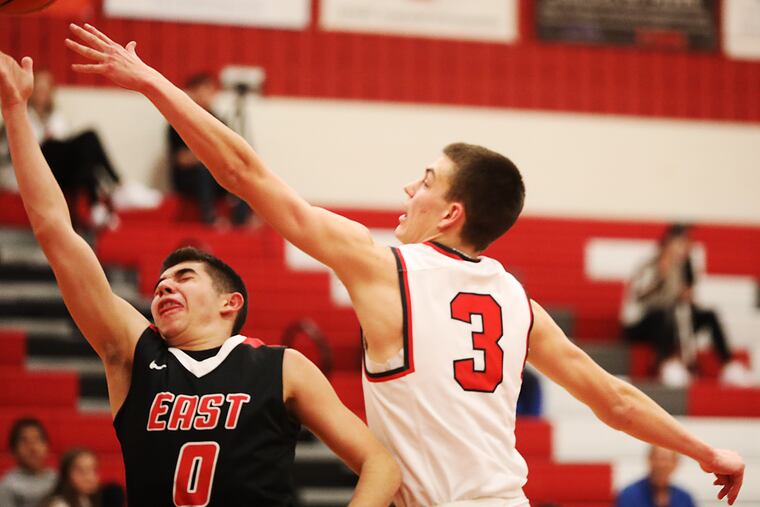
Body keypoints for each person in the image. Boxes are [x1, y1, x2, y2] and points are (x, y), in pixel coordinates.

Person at [63, 23, 745, 506]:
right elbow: (616, 399)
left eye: (424, 181)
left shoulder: (384, 266)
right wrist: (707, 451)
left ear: (450, 212)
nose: (407, 190)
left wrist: (149, 80)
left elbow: (242, 171)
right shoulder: (516, 301)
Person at [0, 48, 399, 506]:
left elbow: (380, 464)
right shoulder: (133, 352)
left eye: (185, 276)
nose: (165, 285)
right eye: (161, 283)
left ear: (231, 302)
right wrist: (15, 109)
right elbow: (55, 231)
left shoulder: (280, 366)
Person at [621, 224, 752, 386]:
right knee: (665, 314)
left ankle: (728, 365)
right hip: (641, 323)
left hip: (672, 319)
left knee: (707, 315)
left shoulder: (683, 266)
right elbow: (640, 297)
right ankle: (664, 363)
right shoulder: (650, 264)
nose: (685, 248)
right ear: (669, 242)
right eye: (682, 242)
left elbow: (685, 300)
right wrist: (662, 279)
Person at [169, 72, 252, 227]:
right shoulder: (178, 121)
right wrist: (207, 156)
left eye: (208, 91)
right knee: (204, 170)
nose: (204, 95)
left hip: (215, 175)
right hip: (191, 178)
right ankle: (209, 218)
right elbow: (181, 159)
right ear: (191, 93)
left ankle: (240, 221)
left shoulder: (218, 121)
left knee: (242, 170)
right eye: (199, 91)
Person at [0, 418, 57, 507]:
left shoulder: (58, 479)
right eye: (24, 441)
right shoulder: (8, 486)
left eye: (38, 440)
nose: (32, 448)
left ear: (46, 447)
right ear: (13, 451)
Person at [617, 446, 696, 507]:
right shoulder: (630, 494)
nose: (662, 464)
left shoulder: (684, 497)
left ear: (676, 463)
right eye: (658, 458)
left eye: (667, 459)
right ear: (649, 460)